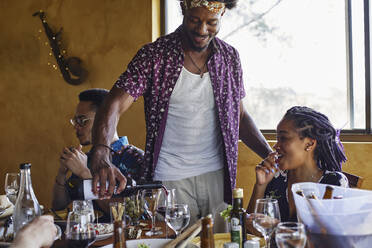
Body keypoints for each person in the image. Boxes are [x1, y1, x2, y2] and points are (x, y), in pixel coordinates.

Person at [89, 0, 272, 230]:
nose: (202, 30)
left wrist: (269, 154)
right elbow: (113, 103)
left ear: (222, 14)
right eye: (195, 20)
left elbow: (240, 117)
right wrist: (101, 150)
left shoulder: (229, 58)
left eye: (211, 22)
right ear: (183, 9)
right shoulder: (154, 56)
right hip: (170, 179)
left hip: (217, 177)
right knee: (177, 243)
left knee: (223, 242)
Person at [52, 88, 145, 217]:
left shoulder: (136, 159)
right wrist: (61, 173)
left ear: (105, 119)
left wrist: (85, 174)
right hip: (89, 235)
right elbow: (59, 208)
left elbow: (131, 215)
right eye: (75, 121)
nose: (76, 127)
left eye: (82, 121)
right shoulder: (87, 158)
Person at [247, 106, 349, 222]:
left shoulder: (333, 183)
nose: (276, 146)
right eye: (277, 138)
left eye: (283, 138)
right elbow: (249, 229)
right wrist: (260, 185)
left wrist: (277, 228)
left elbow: (329, 236)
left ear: (309, 144)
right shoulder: (275, 178)